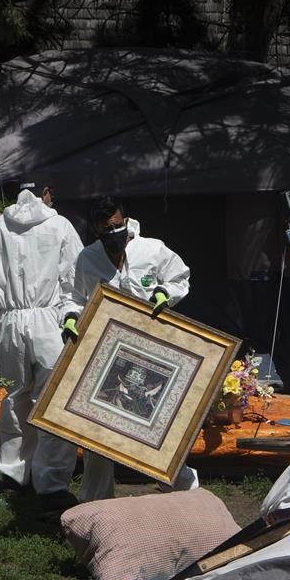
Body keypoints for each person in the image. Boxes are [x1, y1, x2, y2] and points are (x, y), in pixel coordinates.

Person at [61, 196, 195, 502]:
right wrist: (69, 318)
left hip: (153, 349)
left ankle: (182, 489)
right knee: (97, 423)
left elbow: (180, 277)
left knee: (160, 421)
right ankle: (95, 499)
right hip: (105, 353)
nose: (113, 232)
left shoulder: (153, 249)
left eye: (117, 225)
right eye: (105, 229)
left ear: (126, 220)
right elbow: (73, 298)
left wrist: (164, 293)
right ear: (95, 230)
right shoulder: (87, 259)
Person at [0, 181, 84, 507]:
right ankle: (51, 483)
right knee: (53, 403)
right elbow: (74, 278)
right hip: (51, 321)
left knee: (16, 398)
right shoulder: (60, 226)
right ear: (46, 193)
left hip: (9, 322)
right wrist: (71, 317)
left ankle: (13, 473)